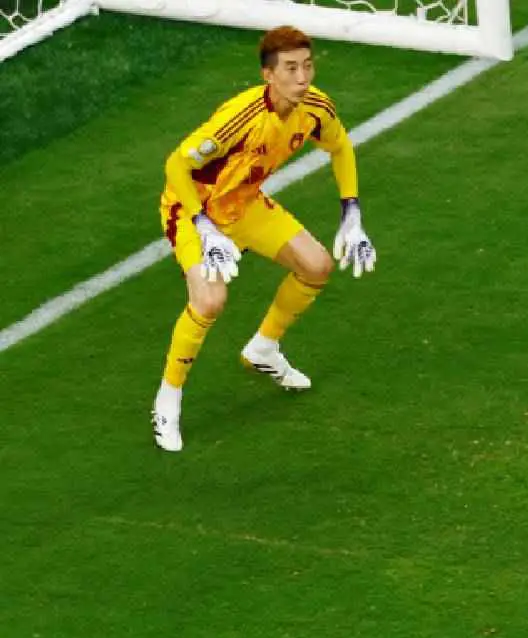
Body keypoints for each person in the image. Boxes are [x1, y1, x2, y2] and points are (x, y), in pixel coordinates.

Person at [150, 26, 377, 452]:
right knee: (210, 301)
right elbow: (176, 165)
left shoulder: (315, 108)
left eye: (307, 66)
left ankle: (263, 348)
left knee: (317, 266)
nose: (302, 77)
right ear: (268, 75)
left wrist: (352, 211)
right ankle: (168, 400)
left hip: (244, 204)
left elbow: (341, 146)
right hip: (195, 210)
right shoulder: (240, 118)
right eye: (290, 68)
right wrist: (203, 226)